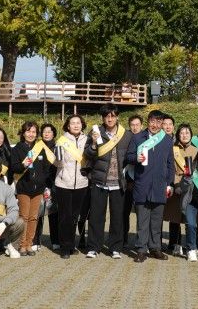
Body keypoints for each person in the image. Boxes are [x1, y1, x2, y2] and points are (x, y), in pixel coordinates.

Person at [84, 103, 132, 259]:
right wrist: (92, 142)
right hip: (99, 180)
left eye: (112, 115)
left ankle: (115, 247)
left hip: (119, 182)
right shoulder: (96, 132)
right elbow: (88, 155)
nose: (109, 118)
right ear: (103, 118)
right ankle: (93, 247)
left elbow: (131, 156)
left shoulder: (126, 135)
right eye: (106, 116)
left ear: (117, 116)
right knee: (96, 216)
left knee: (118, 217)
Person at [125, 109, 174, 263]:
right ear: (148, 121)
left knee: (157, 221)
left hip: (160, 186)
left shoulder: (166, 140)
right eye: (152, 121)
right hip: (142, 185)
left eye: (159, 122)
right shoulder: (138, 137)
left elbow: (170, 164)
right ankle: (141, 249)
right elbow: (129, 156)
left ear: (162, 124)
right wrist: (136, 158)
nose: (155, 124)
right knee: (142, 221)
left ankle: (155, 248)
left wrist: (169, 183)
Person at [10, 122, 51, 255]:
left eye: (33, 132)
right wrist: (23, 165)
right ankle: (22, 245)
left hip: (38, 189)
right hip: (23, 188)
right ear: (23, 133)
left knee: (34, 217)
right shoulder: (17, 149)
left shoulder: (41, 148)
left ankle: (29, 244)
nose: (31, 134)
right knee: (24, 217)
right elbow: (14, 168)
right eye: (28, 131)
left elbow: (46, 168)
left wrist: (43, 183)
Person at [53, 115, 89, 259]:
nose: (75, 125)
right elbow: (56, 163)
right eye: (72, 123)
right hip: (64, 183)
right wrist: (58, 159)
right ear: (68, 126)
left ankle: (71, 244)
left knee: (75, 216)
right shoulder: (61, 141)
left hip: (81, 183)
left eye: (78, 123)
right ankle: (64, 247)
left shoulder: (87, 140)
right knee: (65, 216)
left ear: (82, 125)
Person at [165, 123, 198, 257]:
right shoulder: (172, 149)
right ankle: (174, 243)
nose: (184, 135)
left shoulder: (196, 151)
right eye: (182, 133)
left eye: (187, 133)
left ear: (191, 135)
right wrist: (176, 185)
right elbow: (170, 168)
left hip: (191, 186)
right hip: (176, 186)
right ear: (178, 135)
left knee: (190, 218)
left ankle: (192, 244)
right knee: (175, 217)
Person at [33, 123, 59, 251]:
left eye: (49, 131)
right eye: (44, 131)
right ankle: (36, 240)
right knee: (39, 212)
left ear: (54, 133)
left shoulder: (58, 146)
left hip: (54, 183)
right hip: (40, 183)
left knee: (54, 213)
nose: (47, 133)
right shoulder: (37, 147)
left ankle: (55, 240)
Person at [123, 115, 143, 245]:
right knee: (124, 211)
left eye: (137, 125)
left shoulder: (146, 138)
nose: (135, 127)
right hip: (127, 178)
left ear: (141, 125)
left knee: (141, 212)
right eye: (132, 125)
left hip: (142, 178)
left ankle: (140, 239)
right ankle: (123, 238)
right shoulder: (125, 138)